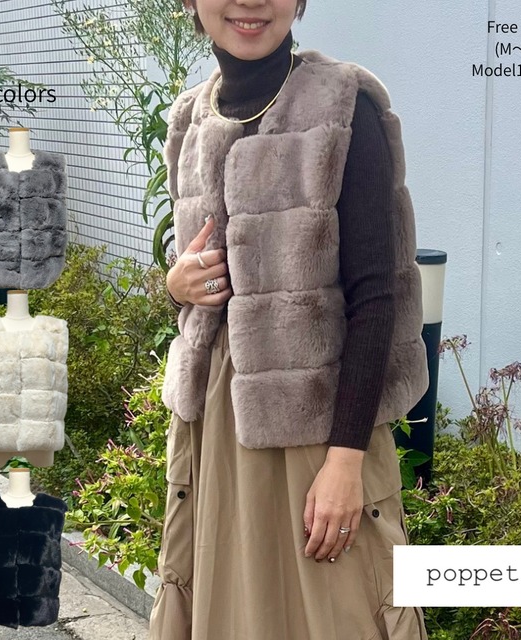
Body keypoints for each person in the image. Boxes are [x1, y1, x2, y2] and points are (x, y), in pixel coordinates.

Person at [150, 1, 430, 638]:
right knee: (231, 611)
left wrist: (346, 462)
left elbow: (376, 296)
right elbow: (198, 271)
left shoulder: (344, 106)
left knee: (346, 611)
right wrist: (175, 285)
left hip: (319, 431)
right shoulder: (189, 118)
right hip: (216, 428)